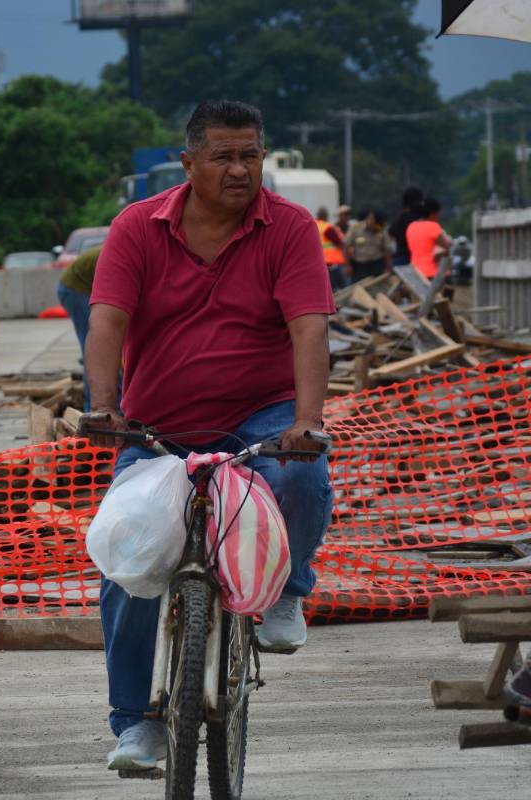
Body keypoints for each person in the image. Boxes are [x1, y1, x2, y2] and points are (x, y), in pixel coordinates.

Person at [77, 100, 334, 773]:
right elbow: (104, 324)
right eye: (222, 155)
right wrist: (104, 410)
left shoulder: (290, 228)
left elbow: (310, 328)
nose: (239, 168)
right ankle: (137, 723)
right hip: (158, 424)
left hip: (262, 414)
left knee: (303, 475)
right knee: (129, 554)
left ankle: (285, 592)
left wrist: (307, 422)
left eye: (250, 154)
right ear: (188, 163)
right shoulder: (137, 227)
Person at [56, 245, 101, 411]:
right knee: (97, 350)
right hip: (75, 290)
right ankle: (94, 409)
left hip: (83, 285)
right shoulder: (120, 256)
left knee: (101, 349)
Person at [406, 197, 453, 280]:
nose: (438, 217)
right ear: (432, 214)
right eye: (437, 214)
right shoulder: (433, 226)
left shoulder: (411, 226)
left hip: (414, 272)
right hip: (432, 273)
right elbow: (446, 246)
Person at [344, 208, 393, 281]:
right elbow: (345, 246)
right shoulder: (356, 228)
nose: (376, 226)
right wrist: (348, 265)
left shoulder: (381, 229)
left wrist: (388, 267)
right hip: (360, 267)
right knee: (359, 289)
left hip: (377, 265)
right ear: (370, 219)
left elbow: (387, 250)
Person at [388, 186, 424, 267]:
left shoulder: (399, 218)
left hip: (399, 257)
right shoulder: (419, 218)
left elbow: (391, 233)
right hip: (416, 258)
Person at [315, 206, 349, 289]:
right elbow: (340, 243)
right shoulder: (327, 227)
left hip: (318, 263)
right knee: (339, 287)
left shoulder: (313, 225)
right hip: (332, 264)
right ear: (326, 216)